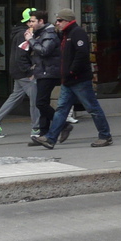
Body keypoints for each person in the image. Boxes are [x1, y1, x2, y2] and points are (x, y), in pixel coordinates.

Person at [33, 9, 114, 149]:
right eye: (57, 20)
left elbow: (82, 54)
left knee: (92, 108)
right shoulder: (65, 34)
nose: (57, 23)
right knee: (61, 109)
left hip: (79, 79)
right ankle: (51, 138)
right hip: (69, 80)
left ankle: (105, 136)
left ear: (68, 21)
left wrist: (71, 71)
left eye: (59, 20)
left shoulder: (77, 33)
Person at [0, 7, 41, 139]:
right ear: (29, 21)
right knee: (35, 99)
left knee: (15, 98)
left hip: (18, 71)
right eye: (34, 20)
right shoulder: (24, 34)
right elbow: (21, 55)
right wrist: (29, 71)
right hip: (24, 72)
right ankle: (36, 128)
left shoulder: (19, 32)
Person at [28, 9, 61, 139]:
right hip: (42, 71)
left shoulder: (49, 33)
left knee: (41, 103)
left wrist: (31, 40)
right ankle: (43, 132)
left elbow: (44, 51)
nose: (30, 24)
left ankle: (62, 124)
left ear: (41, 21)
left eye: (33, 21)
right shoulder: (40, 33)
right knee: (43, 102)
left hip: (49, 72)